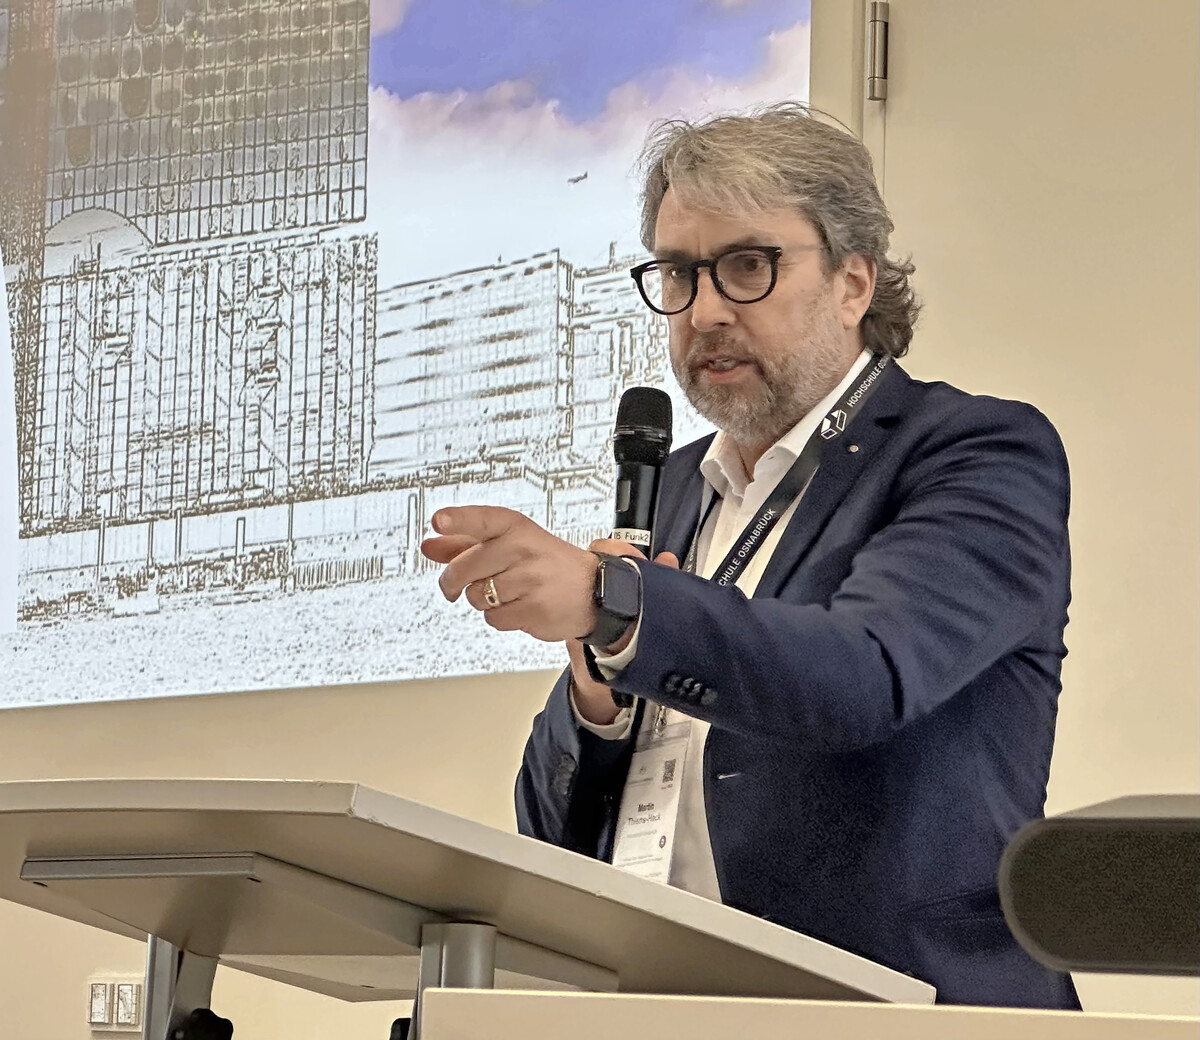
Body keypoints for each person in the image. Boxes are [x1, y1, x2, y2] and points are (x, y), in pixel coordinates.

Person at [420, 103, 1079, 1008]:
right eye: (679, 274)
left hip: (904, 1011)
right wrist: (597, 697)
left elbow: (865, 677)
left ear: (853, 282)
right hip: (671, 1008)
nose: (705, 311)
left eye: (747, 267)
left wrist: (619, 606)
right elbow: (550, 827)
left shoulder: (974, 453)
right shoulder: (676, 487)